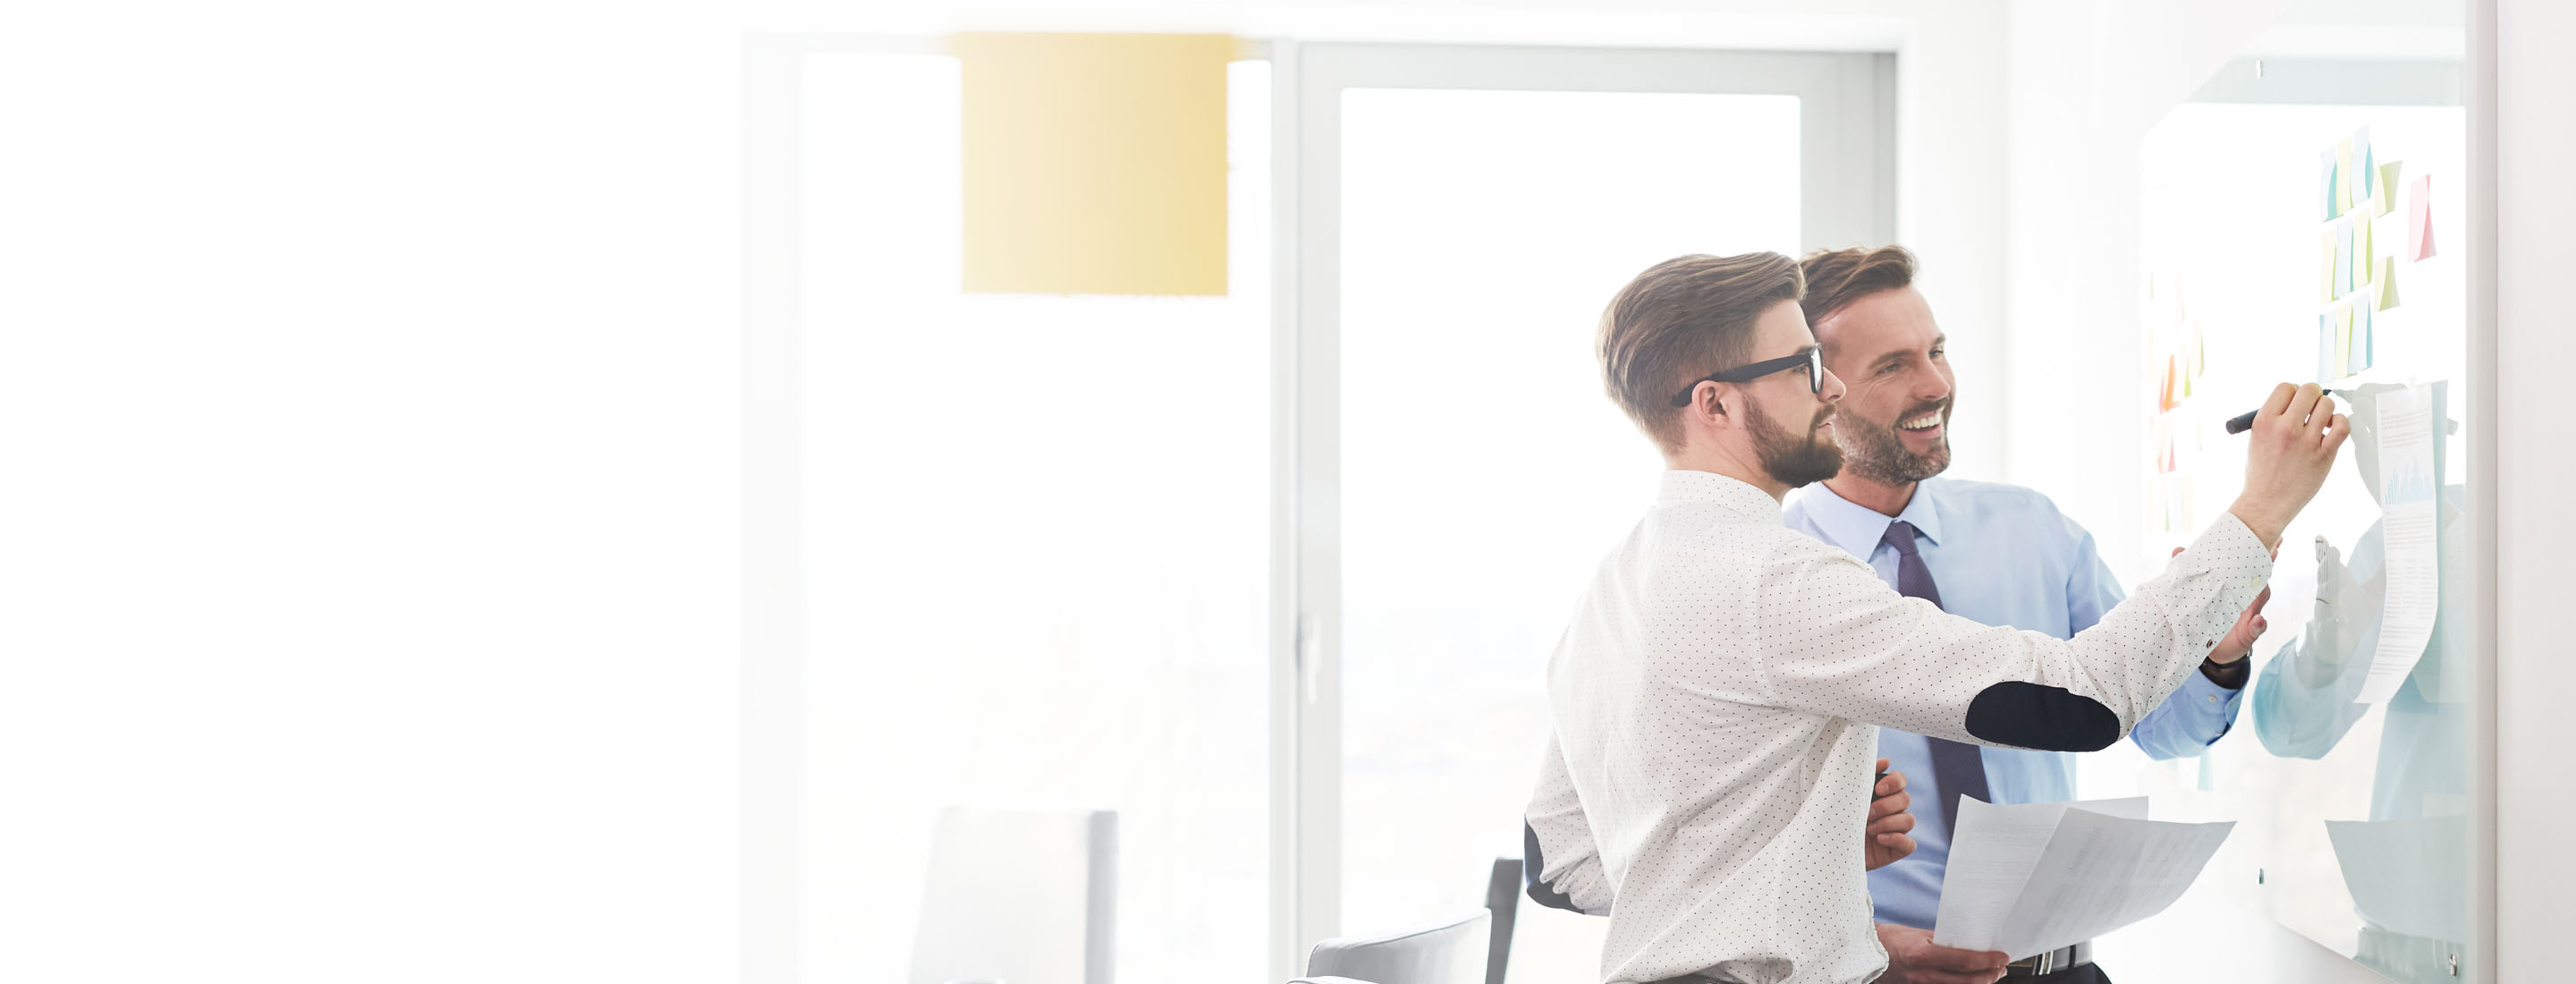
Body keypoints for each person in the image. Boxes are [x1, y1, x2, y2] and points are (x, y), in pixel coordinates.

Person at [1521, 251, 2344, 984]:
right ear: (1715, 405)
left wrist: (1818, 895)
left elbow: (1558, 863)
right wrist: (2263, 508)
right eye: (1806, 368)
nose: (1830, 391)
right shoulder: (1777, 579)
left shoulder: (1615, 584)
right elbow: (2082, 700)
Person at [1778, 246, 2267, 984]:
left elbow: (2161, 726)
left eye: (1937, 351)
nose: (1936, 385)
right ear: (1820, 392)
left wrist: (2215, 658)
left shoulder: (2032, 530)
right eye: (1893, 366)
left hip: (2058, 971)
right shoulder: (1773, 579)